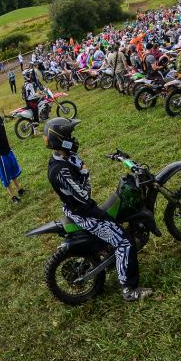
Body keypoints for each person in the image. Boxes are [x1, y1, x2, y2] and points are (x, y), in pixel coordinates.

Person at [43, 118, 152, 302]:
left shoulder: (65, 156)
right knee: (125, 243)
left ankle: (108, 253)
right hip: (84, 213)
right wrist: (85, 173)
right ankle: (129, 289)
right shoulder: (60, 171)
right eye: (70, 136)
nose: (74, 139)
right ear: (61, 140)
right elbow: (84, 195)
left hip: (80, 208)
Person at [0, 101, 23, 204]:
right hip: (0, 156)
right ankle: (13, 197)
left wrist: (9, 145)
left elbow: (4, 133)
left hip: (8, 151)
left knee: (13, 171)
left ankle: (19, 190)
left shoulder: (0, 119)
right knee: (6, 178)